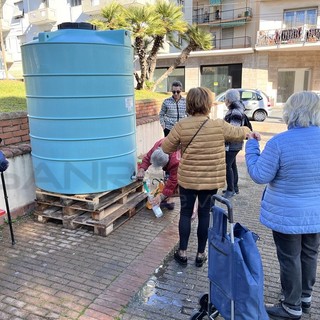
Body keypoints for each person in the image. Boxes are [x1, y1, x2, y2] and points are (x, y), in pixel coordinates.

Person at [245, 91, 320, 320]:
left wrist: (251, 147)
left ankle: (291, 306)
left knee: (290, 258)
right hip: (316, 213)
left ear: (291, 112)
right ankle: (305, 298)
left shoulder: (280, 142)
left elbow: (259, 175)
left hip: (287, 214)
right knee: (310, 254)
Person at [162, 87, 250, 267]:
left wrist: (181, 145)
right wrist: (250, 132)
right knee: (204, 215)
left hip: (188, 179)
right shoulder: (218, 125)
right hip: (210, 181)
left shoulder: (181, 125)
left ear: (189, 104)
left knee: (185, 214)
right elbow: (239, 132)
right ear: (208, 104)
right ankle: (201, 254)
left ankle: (183, 252)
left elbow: (166, 148)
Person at [137, 138, 179, 210]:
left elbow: (173, 181)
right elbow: (147, 158)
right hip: (170, 154)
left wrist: (161, 196)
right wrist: (142, 169)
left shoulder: (176, 161)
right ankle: (166, 197)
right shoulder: (157, 146)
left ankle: (170, 200)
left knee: (173, 182)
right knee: (166, 178)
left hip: (182, 162)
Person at [223, 89, 246, 198]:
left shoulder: (235, 111)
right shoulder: (237, 108)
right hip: (234, 143)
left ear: (229, 100)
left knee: (227, 166)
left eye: (225, 99)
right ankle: (234, 188)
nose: (224, 101)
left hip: (232, 144)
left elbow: (233, 130)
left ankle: (230, 189)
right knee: (232, 165)